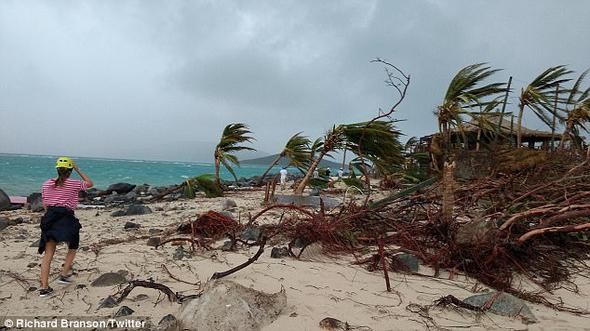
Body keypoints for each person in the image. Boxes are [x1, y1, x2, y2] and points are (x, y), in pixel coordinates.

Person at [38, 156, 93, 297]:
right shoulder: (73, 184)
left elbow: (45, 204)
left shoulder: (46, 184)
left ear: (57, 169)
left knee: (48, 253)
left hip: (50, 217)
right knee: (73, 246)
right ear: (70, 171)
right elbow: (89, 183)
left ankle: (44, 288)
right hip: (66, 217)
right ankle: (63, 274)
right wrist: (77, 168)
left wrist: (50, 217)